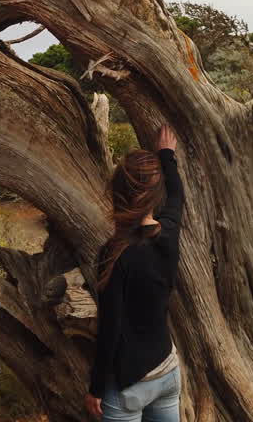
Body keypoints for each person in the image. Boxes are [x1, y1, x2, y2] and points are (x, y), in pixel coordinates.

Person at [85, 124, 185, 422]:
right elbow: (177, 197)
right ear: (157, 195)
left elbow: (110, 329)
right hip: (168, 371)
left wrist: (96, 388)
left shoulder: (115, 254)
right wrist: (167, 155)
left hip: (130, 382)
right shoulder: (168, 233)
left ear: (117, 194)